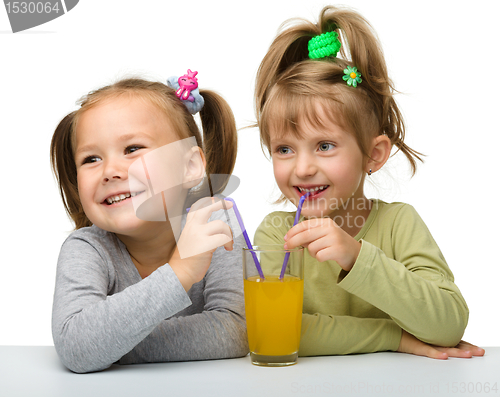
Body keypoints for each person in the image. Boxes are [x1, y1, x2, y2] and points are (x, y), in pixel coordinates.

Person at [253, 6, 484, 360]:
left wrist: (356, 257)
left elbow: (448, 325)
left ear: (373, 155)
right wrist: (394, 336)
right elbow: (272, 329)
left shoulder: (399, 225)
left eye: (324, 146)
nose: (301, 168)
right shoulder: (276, 237)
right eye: (284, 149)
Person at [50, 75, 248, 373]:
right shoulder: (86, 249)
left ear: (190, 167)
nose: (110, 171)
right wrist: (178, 273)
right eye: (91, 158)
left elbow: (237, 331)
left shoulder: (214, 223)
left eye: (132, 149)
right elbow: (75, 346)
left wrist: (112, 346)